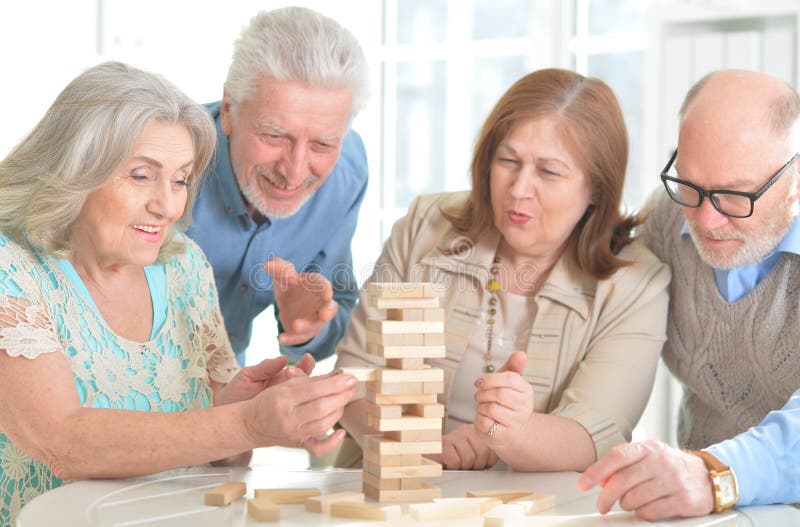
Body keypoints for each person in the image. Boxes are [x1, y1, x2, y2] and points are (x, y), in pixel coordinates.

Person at [0, 62, 357, 527]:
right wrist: (248, 422)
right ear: (76, 168)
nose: (167, 206)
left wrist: (241, 409)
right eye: (141, 175)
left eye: (181, 179)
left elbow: (223, 463)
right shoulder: (13, 267)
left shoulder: (183, 263)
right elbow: (62, 443)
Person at [334, 68, 671, 471]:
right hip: (389, 495)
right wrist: (422, 447)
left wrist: (514, 431)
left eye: (548, 171)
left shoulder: (635, 284)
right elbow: (355, 380)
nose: (518, 189)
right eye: (508, 160)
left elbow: (597, 434)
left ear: (596, 188)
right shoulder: (427, 227)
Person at [578, 69, 800, 519]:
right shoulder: (670, 215)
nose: (705, 220)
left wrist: (715, 475)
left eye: (735, 196)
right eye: (689, 184)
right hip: (706, 513)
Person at [187, 6, 370, 365]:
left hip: (226, 389)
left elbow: (339, 310)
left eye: (322, 144)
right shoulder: (165, 159)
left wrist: (307, 326)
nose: (295, 172)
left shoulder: (347, 171)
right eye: (274, 136)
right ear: (228, 110)